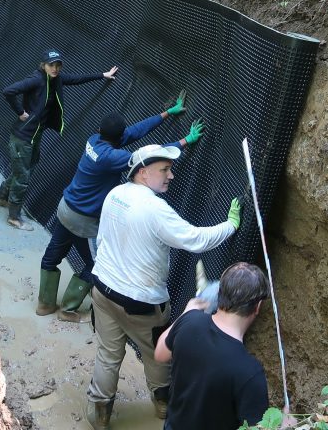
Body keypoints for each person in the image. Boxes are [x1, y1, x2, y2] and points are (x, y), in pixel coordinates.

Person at [83, 144, 243, 429]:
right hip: (141, 305)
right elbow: (196, 239)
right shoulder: (154, 209)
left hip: (102, 290)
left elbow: (102, 239)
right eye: (164, 170)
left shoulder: (115, 194)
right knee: (157, 355)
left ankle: (100, 416)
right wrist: (230, 226)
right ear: (143, 173)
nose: (170, 175)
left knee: (108, 355)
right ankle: (162, 408)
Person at [37, 100, 206, 322]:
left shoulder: (95, 140)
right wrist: (185, 141)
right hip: (84, 221)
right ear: (117, 137)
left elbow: (135, 132)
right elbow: (149, 159)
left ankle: (44, 305)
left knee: (52, 255)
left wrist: (165, 114)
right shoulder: (111, 158)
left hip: (66, 208)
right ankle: (67, 311)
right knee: (96, 265)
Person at [0, 50, 118, 231]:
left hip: (35, 135)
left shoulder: (57, 79)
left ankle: (1, 197)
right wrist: (21, 112)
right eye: (51, 65)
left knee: (24, 169)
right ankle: (14, 217)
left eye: (58, 65)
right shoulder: (36, 80)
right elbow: (8, 91)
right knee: (23, 177)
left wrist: (102, 75)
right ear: (43, 65)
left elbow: (76, 79)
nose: (55, 68)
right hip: (23, 136)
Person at [154, 262, 270, 430]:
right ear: (257, 307)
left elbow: (160, 354)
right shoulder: (250, 371)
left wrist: (186, 314)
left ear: (219, 293)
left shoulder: (190, 322)